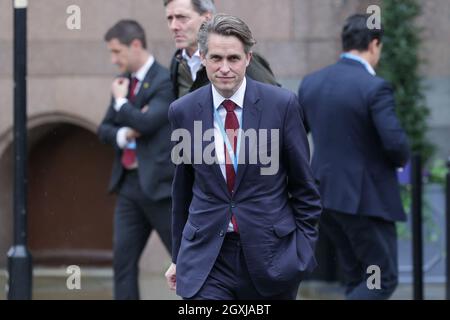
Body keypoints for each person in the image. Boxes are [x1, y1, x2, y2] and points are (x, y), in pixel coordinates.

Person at [165, 14, 322, 300]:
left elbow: (304, 187)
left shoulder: (282, 105)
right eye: (216, 58)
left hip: (271, 257)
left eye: (233, 58)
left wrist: (302, 252)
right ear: (202, 58)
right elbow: (182, 189)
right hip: (208, 259)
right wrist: (178, 256)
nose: (225, 68)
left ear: (248, 59)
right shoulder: (182, 111)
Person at [298, 14, 410, 299]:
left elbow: (296, 138)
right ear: (374, 45)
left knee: (358, 277)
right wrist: (398, 162)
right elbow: (396, 144)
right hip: (365, 202)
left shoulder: (311, 83)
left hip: (326, 200)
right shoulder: (374, 87)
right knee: (380, 280)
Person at [97, 20, 175, 300]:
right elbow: (103, 129)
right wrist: (126, 132)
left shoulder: (165, 80)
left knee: (187, 262)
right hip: (129, 185)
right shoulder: (123, 84)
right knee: (123, 263)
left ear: (136, 45)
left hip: (161, 188)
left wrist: (121, 105)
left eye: (117, 52)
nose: (113, 59)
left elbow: (149, 121)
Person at [163, 0, 279, 98]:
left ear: (207, 18)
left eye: (182, 18)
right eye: (170, 19)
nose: (174, 26)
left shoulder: (241, 60)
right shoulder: (178, 62)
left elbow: (275, 102)